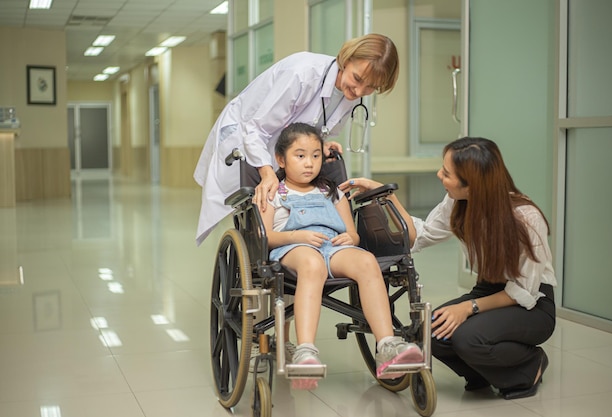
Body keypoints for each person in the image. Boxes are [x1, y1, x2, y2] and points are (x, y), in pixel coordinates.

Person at [340, 137, 556, 400]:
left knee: (467, 338)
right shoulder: (458, 202)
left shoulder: (526, 219)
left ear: (472, 184)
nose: (439, 174)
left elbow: (523, 292)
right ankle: (482, 373)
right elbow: (419, 236)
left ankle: (529, 366)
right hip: (489, 289)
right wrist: (386, 195)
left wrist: (467, 308)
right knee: (429, 332)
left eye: (447, 173)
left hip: (531, 304)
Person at [193, 33, 399, 246]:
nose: (359, 91)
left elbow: (309, 125)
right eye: (357, 79)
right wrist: (266, 173)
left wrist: (320, 145)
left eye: (371, 88)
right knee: (261, 212)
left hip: (284, 152)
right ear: (346, 60)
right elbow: (256, 129)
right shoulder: (302, 74)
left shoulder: (347, 93)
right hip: (247, 138)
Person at [262, 122, 422, 390]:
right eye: (300, 156)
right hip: (292, 248)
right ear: (281, 159)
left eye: (315, 156)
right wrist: (296, 237)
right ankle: (305, 350)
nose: (309, 163)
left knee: (366, 260)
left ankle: (386, 345)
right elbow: (265, 236)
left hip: (332, 246)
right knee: (312, 264)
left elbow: (352, 233)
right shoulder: (274, 192)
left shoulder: (331, 191)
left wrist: (351, 238)